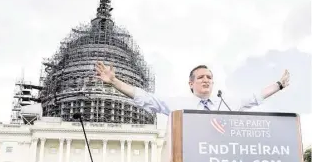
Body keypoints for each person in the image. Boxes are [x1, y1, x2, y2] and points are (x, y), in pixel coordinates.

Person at [94, 62, 290, 113]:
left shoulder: (226, 103)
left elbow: (254, 98)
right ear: (191, 83)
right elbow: (144, 97)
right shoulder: (177, 104)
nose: (206, 80)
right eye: (201, 77)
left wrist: (279, 85)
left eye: (210, 77)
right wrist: (115, 82)